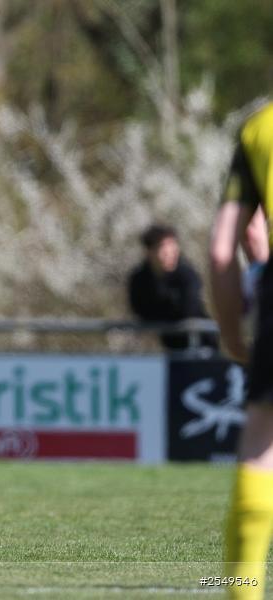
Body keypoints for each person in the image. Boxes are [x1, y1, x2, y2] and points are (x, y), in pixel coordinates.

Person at [209, 107, 273, 600]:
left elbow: (221, 250)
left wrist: (233, 337)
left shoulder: (260, 127)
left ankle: (243, 589)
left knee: (261, 446)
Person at [127, 223, 217, 351]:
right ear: (149, 251)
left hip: (202, 345)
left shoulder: (187, 275)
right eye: (163, 247)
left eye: (173, 246)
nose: (170, 253)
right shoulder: (139, 279)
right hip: (171, 348)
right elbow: (140, 311)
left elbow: (188, 310)